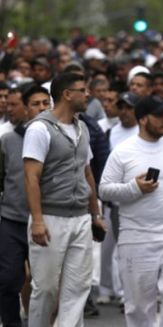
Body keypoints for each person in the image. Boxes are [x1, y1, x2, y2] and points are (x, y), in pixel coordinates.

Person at [99, 95, 163, 327]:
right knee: (139, 305)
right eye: (159, 116)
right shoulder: (122, 151)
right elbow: (104, 190)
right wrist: (134, 188)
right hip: (135, 239)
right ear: (144, 119)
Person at [23, 72, 106, 326]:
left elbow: (87, 173)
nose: (88, 94)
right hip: (50, 218)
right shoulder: (39, 128)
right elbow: (31, 178)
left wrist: (95, 215)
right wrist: (37, 220)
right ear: (67, 94)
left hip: (80, 218)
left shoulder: (82, 127)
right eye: (83, 90)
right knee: (46, 288)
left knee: (77, 290)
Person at [0, 84, 49, 327]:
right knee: (8, 280)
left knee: (45, 283)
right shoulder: (7, 141)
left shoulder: (55, 138)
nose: (40, 109)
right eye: (35, 104)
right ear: (27, 110)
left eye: (45, 103)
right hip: (12, 221)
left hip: (46, 220)